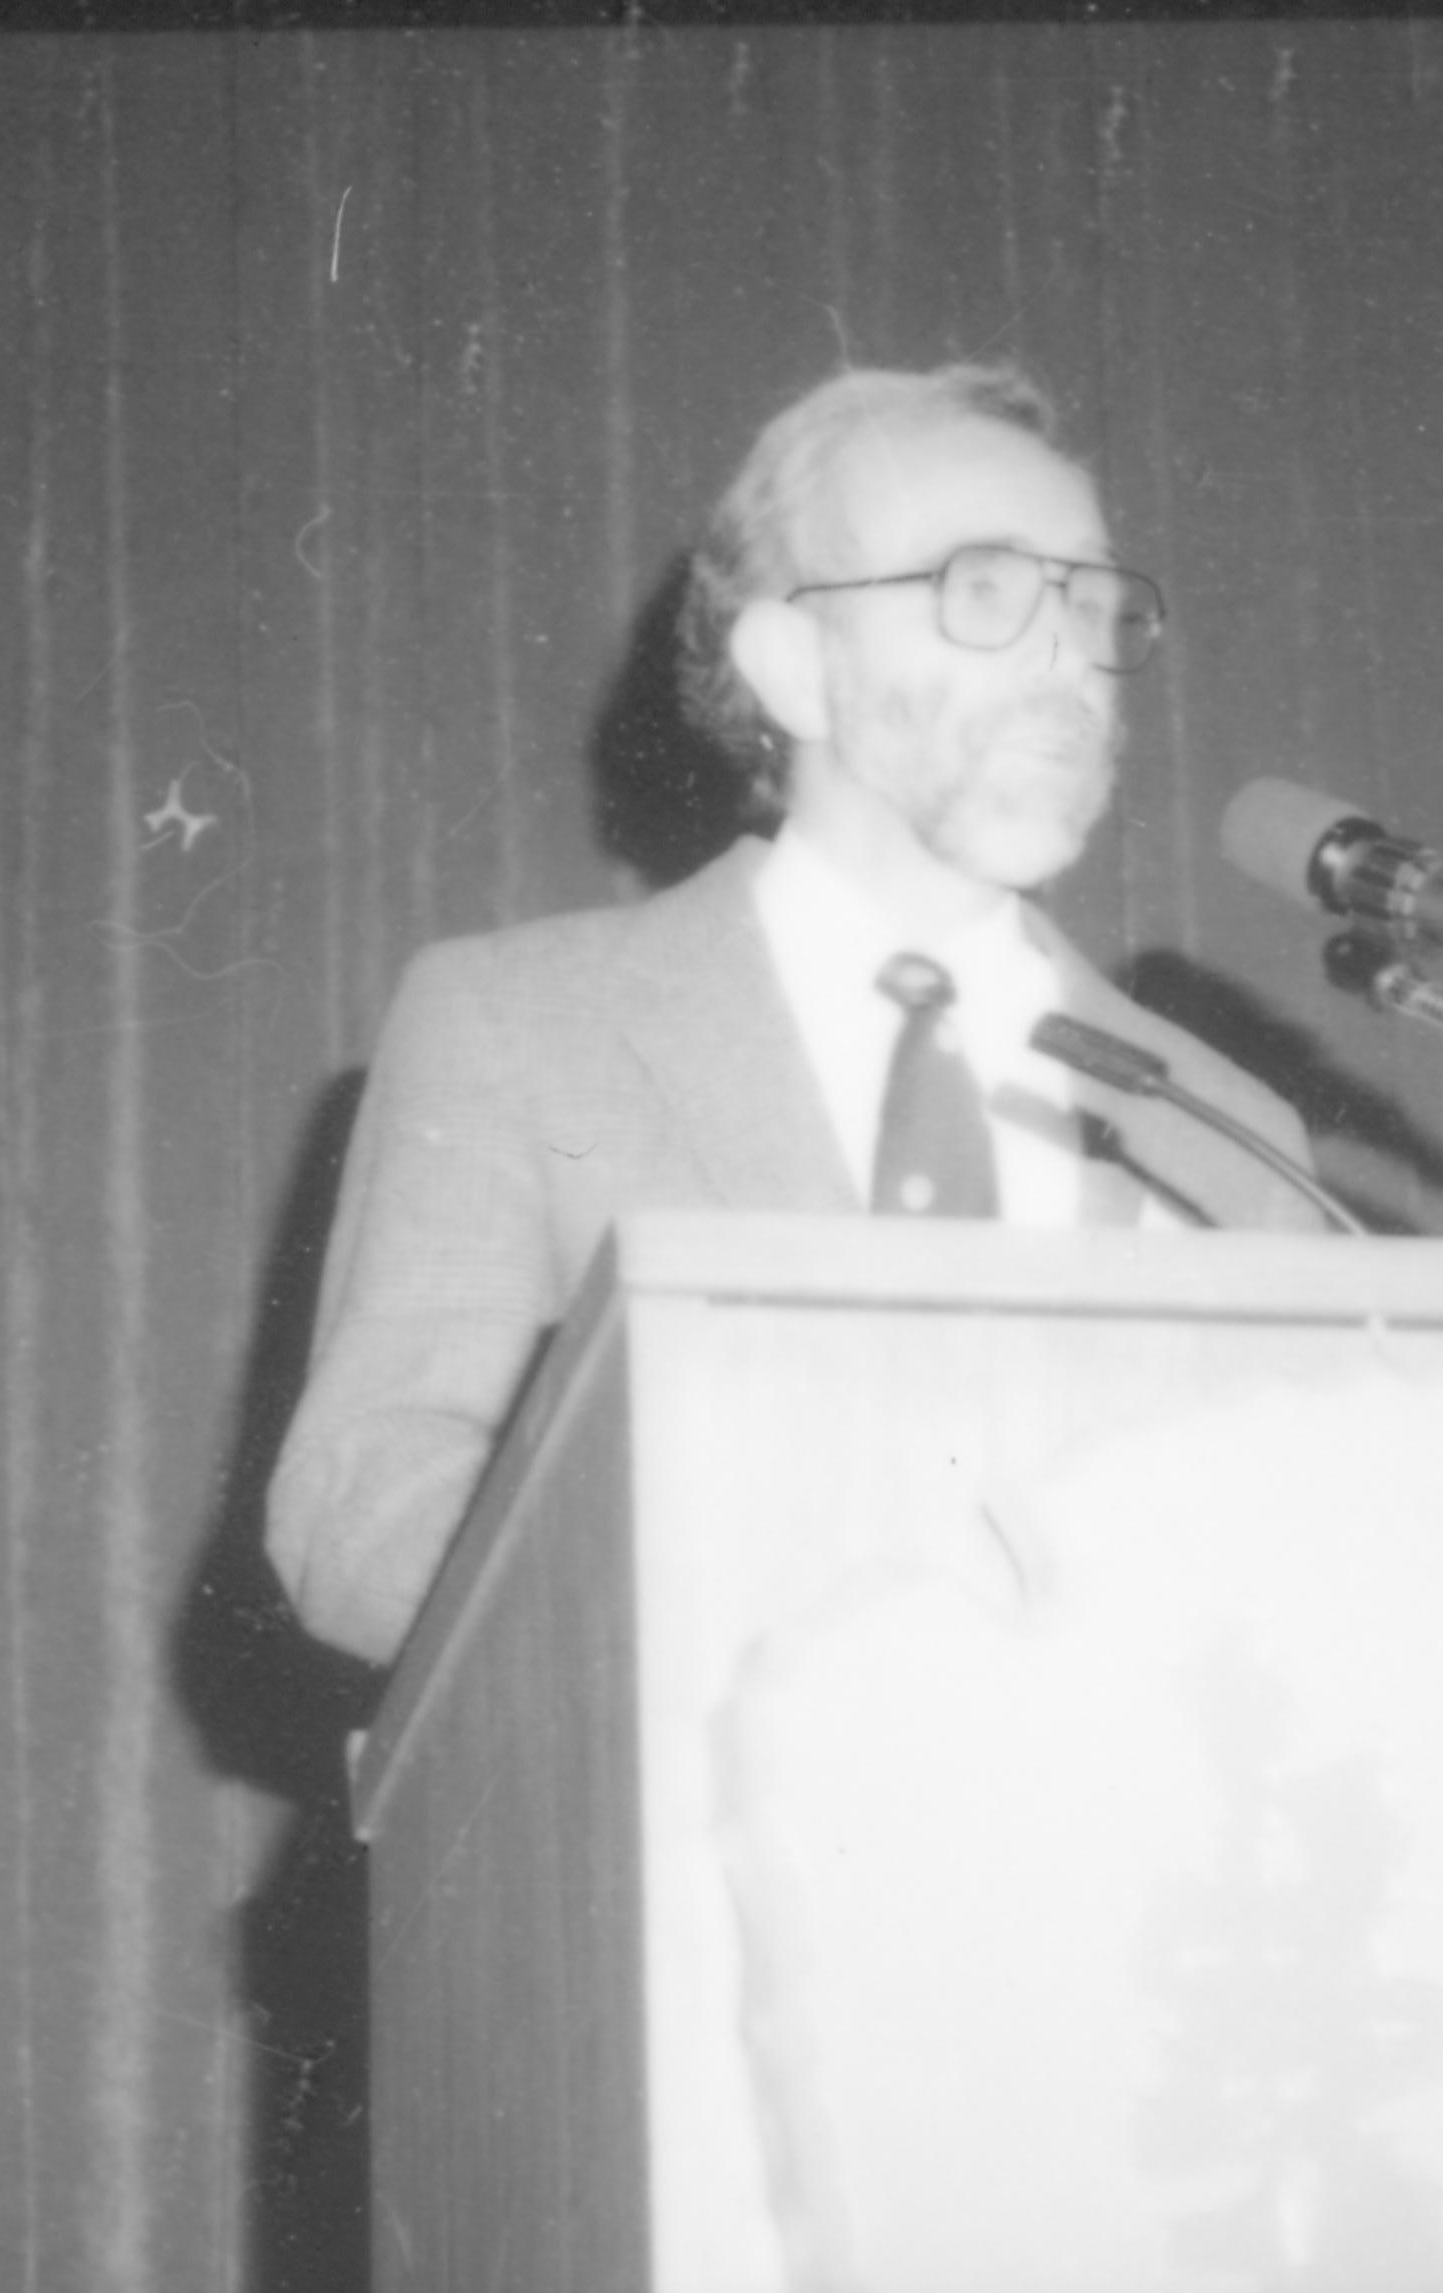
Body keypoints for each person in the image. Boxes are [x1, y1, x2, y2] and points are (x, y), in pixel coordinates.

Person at [267, 362, 1325, 1665]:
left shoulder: (1229, 1136)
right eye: (984, 589)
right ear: (793, 666)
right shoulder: (517, 1025)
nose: (1068, 656)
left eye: (1092, 598)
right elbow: (366, 1502)